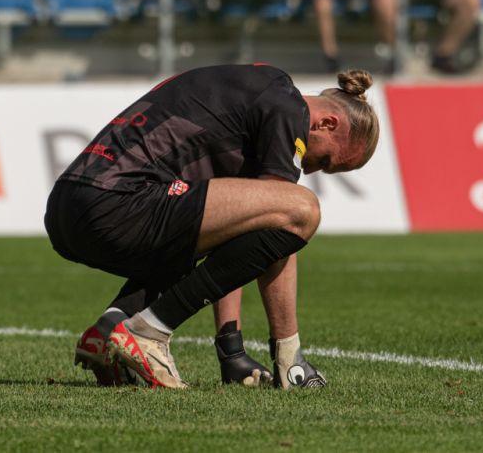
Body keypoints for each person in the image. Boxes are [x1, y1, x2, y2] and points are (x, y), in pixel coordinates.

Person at [45, 64, 380, 388]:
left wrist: (231, 354)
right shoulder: (287, 107)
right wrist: (289, 354)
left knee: (236, 218)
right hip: (116, 201)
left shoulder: (257, 90)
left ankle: (113, 326)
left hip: (70, 206)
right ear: (328, 123)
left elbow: (236, 235)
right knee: (302, 208)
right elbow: (283, 218)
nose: (311, 170)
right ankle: (148, 332)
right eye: (325, 161)